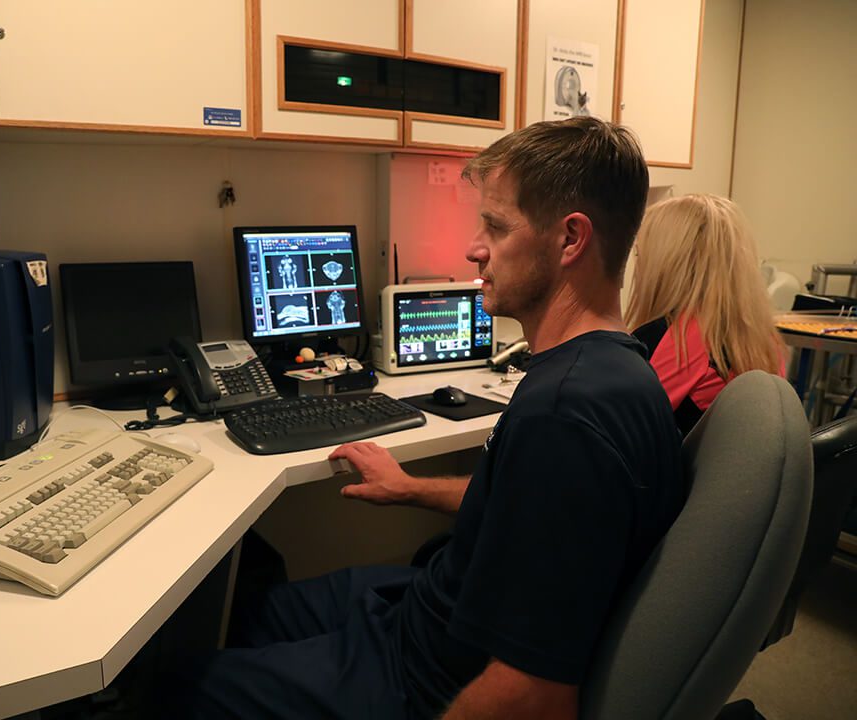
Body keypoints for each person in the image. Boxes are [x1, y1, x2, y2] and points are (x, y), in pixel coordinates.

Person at [179, 117, 685, 720]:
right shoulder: (608, 371)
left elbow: (534, 694)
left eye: (495, 227)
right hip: (424, 609)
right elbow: (530, 510)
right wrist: (410, 487)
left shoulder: (567, 415)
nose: (474, 246)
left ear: (570, 240)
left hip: (416, 678)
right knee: (256, 607)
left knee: (179, 690)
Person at [625, 194, 784, 435]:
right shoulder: (764, 339)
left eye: (640, 253)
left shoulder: (677, 339)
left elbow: (621, 428)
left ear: (665, 261)